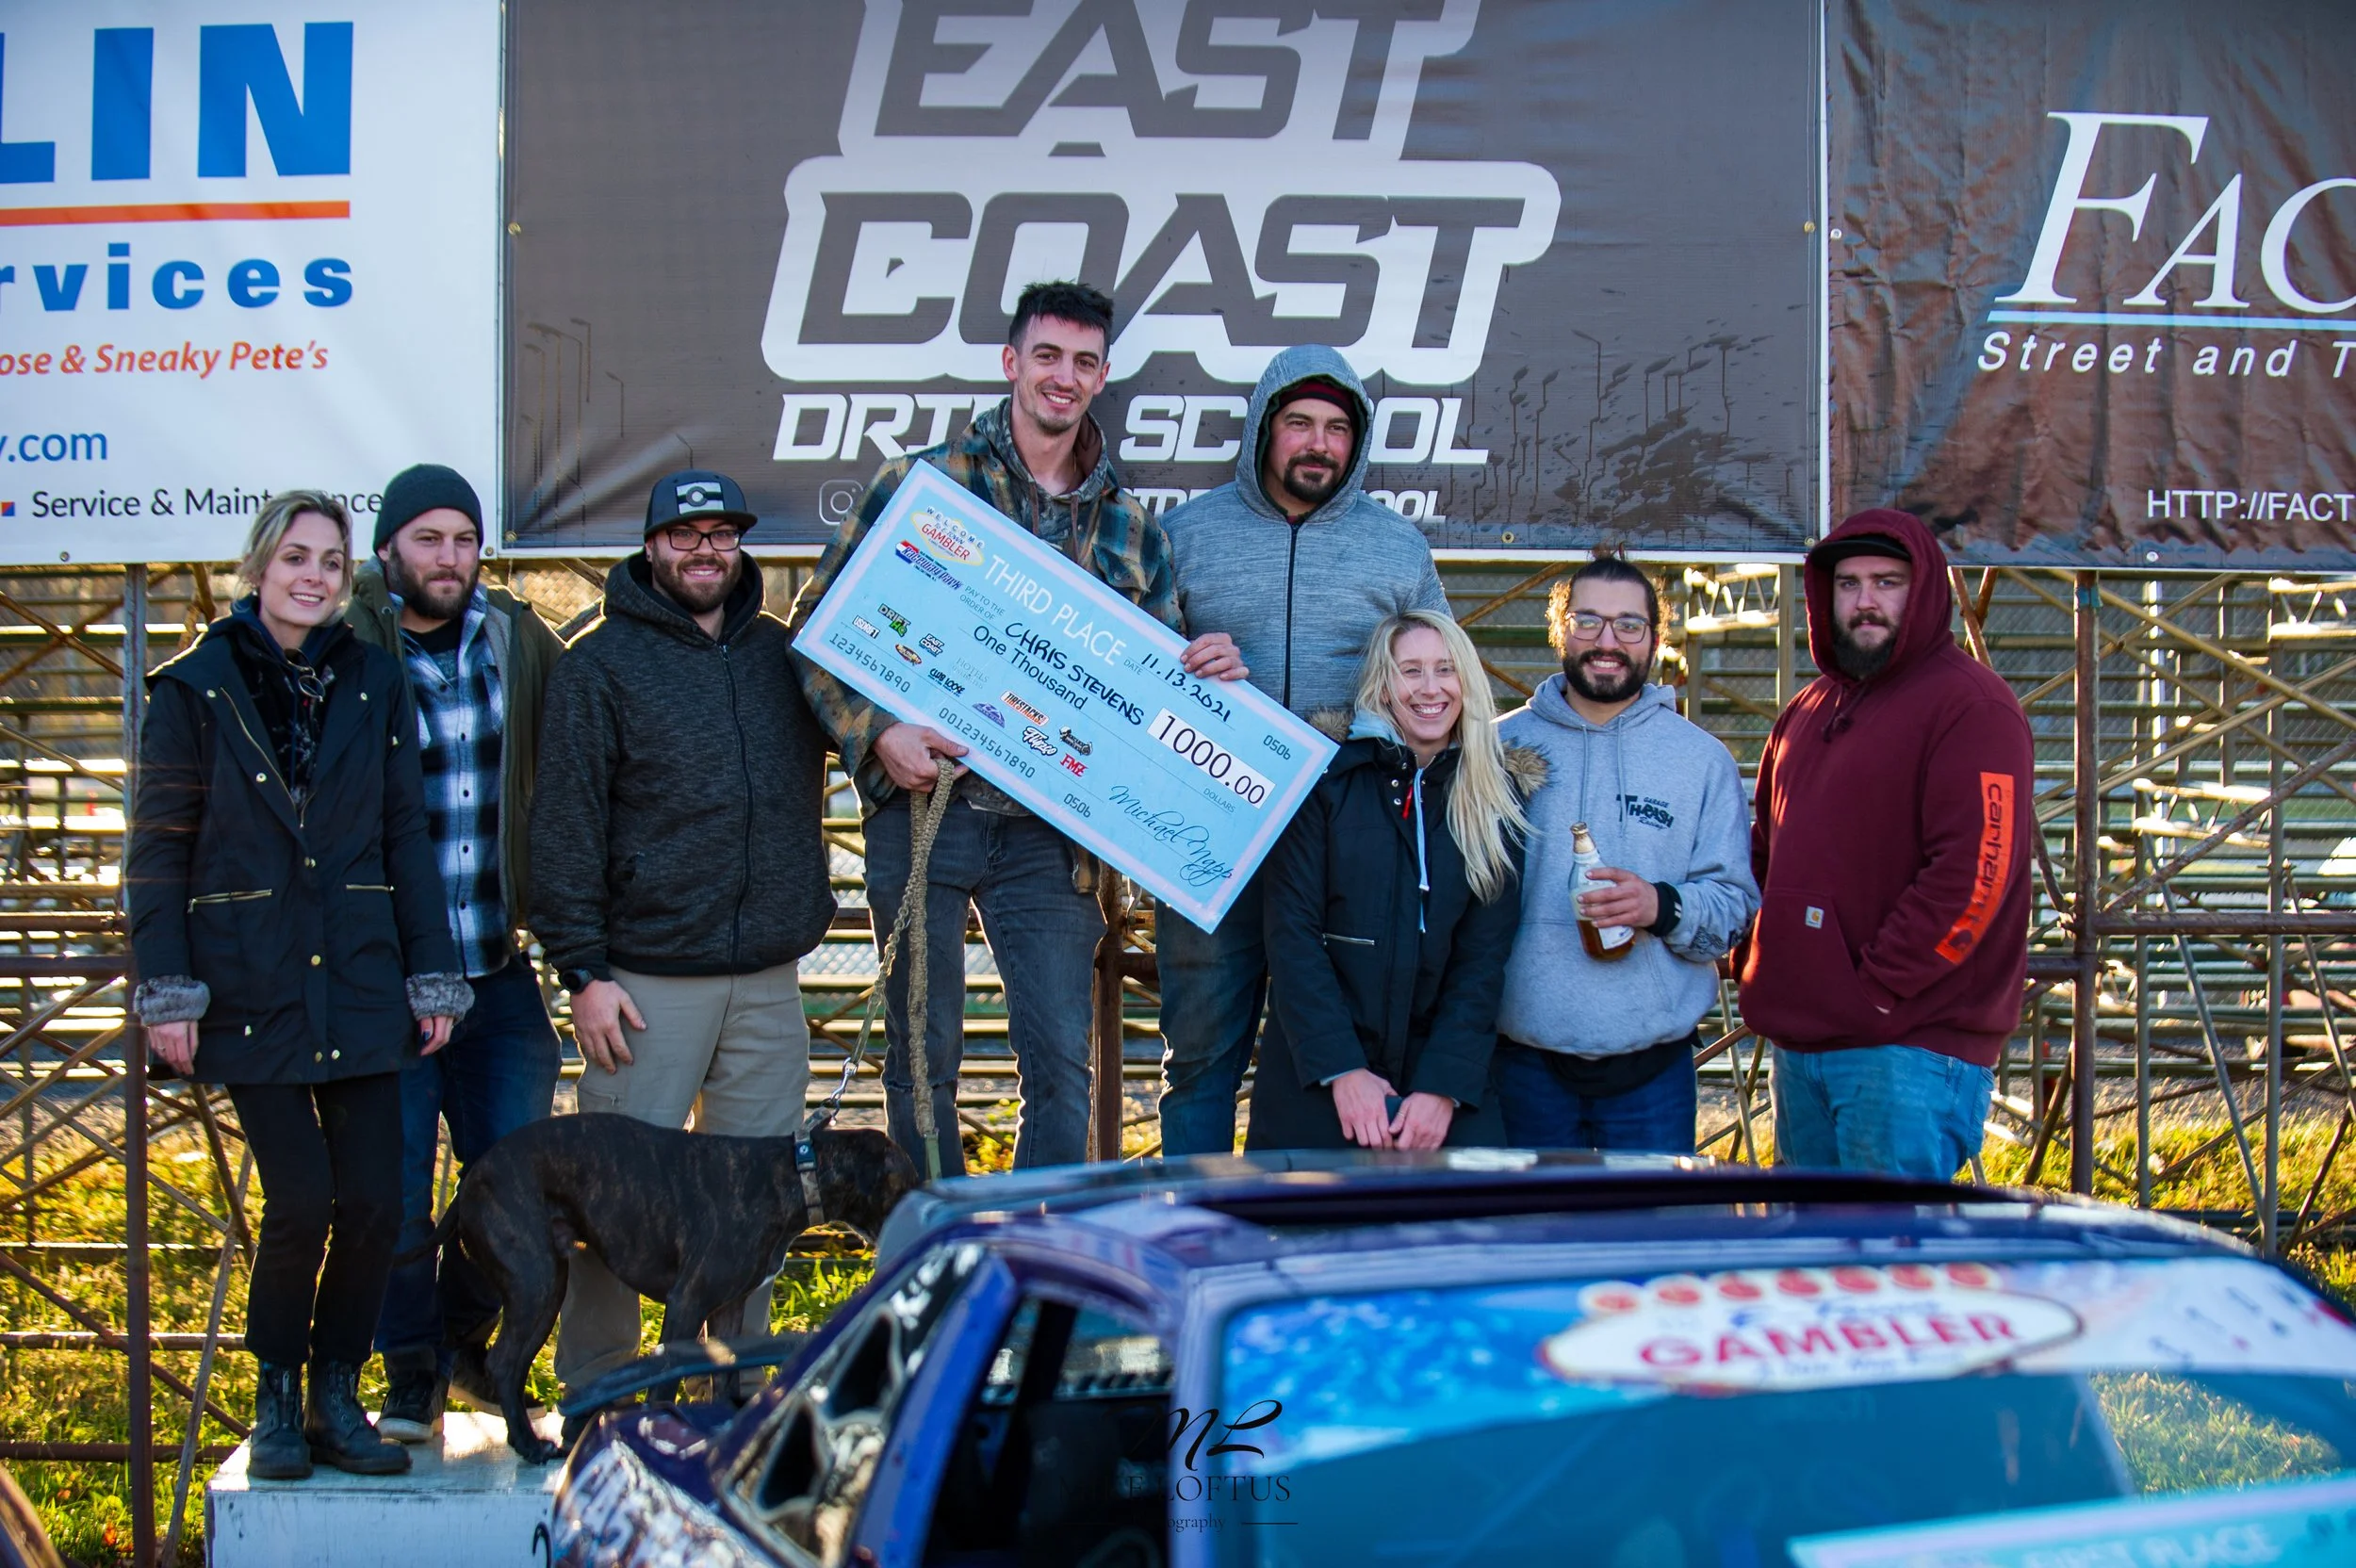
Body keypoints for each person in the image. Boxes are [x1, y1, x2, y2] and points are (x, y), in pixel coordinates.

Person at [788, 280, 1220, 1176]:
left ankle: (1034, 1245)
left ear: (1103, 376)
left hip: (1053, 835)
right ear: (1011, 362)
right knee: (923, 1057)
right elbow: (816, 629)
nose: (1065, 376)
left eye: (1084, 361)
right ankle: (939, 1242)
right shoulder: (923, 483)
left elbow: (1154, 697)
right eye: (1048, 355)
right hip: (926, 806)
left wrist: (1205, 675)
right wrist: (879, 733)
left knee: (1063, 1067)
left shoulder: (1132, 528)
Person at [127, 491, 471, 1480]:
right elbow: (157, 850)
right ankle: (276, 1398)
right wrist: (168, 987)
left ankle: (335, 1397)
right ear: (258, 568)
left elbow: (405, 833)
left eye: (328, 561)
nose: (313, 577)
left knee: (374, 1202)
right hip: (250, 983)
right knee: (301, 1200)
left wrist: (433, 972)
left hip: (361, 978)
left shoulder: (373, 681)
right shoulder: (192, 688)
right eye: (294, 558)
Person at [532, 468, 835, 1400]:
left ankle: (734, 1386)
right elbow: (565, 829)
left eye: (722, 534)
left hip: (767, 979)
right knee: (615, 1194)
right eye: (685, 534)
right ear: (651, 546)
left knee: (757, 1201)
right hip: (642, 983)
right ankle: (601, 1388)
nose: (705, 550)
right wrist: (583, 972)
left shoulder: (785, 655)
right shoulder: (597, 665)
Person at [1155, 345, 1451, 1156]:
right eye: (1299, 423)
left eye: (1336, 428)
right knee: (1200, 1058)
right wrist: (1184, 663)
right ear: (1262, 429)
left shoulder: (1397, 547)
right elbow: (1129, 672)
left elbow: (1439, 677)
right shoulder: (1184, 535)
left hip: (1350, 840)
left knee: (1345, 1051)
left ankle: (1320, 1221)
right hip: (1209, 830)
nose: (1318, 443)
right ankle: (1197, 1223)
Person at [348, 464, 566, 1443]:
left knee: (515, 1183)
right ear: (388, 548)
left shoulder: (516, 638)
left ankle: (458, 1344)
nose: (448, 557)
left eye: (464, 540)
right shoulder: (350, 643)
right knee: (395, 1194)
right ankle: (409, 1375)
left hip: (496, 966)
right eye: (427, 538)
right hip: (386, 973)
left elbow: (582, 745)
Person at [1741, 508, 2034, 1179]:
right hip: (1805, 1044)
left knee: (1889, 1241)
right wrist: (1755, 957)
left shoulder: (1973, 707)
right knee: (1811, 1238)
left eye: (1887, 582)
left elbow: (1975, 876)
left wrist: (1874, 991)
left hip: (1908, 1049)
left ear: (1923, 589)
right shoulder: (1806, 711)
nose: (1865, 601)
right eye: (1848, 584)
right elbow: (1764, 851)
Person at [1493, 555, 1759, 1152]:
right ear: (1559, 630)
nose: (1607, 642)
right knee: (1522, 1216)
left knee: (1648, 1217)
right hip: (1518, 1066)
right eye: (1588, 621)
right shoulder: (1496, 747)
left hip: (1652, 1075)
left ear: (1655, 639)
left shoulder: (1701, 760)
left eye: (1629, 625)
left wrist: (1660, 907)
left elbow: (1734, 909)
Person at [1248, 610, 1530, 1151]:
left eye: (1446, 669)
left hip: (1442, 1078)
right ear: (1382, 685)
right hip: (1321, 1068)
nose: (1431, 688)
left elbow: (1483, 960)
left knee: (1478, 1203)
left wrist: (1444, 1086)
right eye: (1411, 670)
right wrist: (1342, 1070)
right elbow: (1292, 936)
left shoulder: (1496, 799)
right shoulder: (1326, 782)